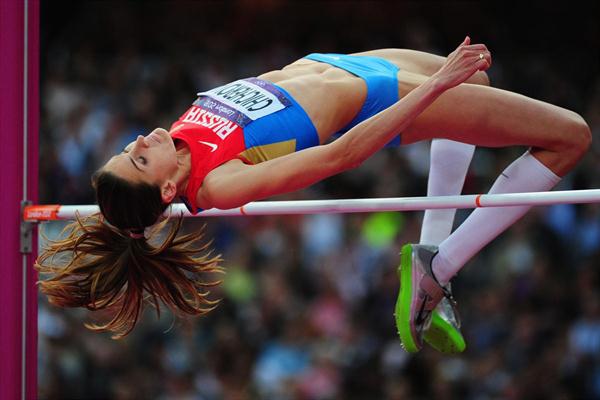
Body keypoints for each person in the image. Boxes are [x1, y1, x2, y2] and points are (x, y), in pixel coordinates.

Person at [36, 37, 591, 350]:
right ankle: (440, 267)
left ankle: (428, 259)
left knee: (481, 85)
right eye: (136, 157)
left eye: (128, 146)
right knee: (570, 138)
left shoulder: (177, 138)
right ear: (166, 187)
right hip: (376, 97)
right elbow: (340, 157)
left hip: (346, 64)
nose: (139, 139)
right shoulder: (219, 186)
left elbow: (267, 92)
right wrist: (435, 88)